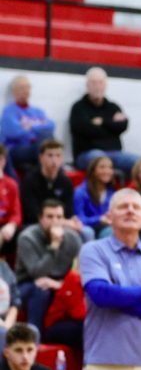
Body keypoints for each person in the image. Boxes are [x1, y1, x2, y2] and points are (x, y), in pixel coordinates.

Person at [79, 188, 141, 370]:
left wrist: (116, 299)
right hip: (104, 363)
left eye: (136, 207)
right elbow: (100, 294)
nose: (130, 210)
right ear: (109, 216)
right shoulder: (92, 250)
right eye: (123, 206)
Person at [15, 199, 81, 332]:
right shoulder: (27, 238)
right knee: (41, 289)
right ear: (41, 219)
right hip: (28, 284)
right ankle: (35, 333)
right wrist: (54, 245)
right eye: (50, 217)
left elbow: (80, 272)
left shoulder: (73, 238)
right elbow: (37, 273)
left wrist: (59, 284)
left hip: (59, 283)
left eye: (59, 217)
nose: (55, 221)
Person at [69, 67, 140, 174]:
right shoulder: (78, 107)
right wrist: (111, 125)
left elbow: (123, 126)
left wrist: (102, 122)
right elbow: (85, 129)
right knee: (100, 160)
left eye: (100, 82)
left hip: (115, 153)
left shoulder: (113, 107)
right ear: (87, 85)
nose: (97, 86)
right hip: (87, 154)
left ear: (106, 85)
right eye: (94, 83)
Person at [19, 139, 93, 242]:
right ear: (41, 158)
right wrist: (61, 222)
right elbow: (32, 214)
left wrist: (73, 220)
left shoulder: (66, 182)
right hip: (36, 224)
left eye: (58, 156)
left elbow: (69, 212)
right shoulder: (29, 181)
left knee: (87, 232)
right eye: (50, 155)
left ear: (62, 159)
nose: (54, 160)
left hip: (61, 222)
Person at [0, 75, 55, 176]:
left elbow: (51, 126)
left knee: (47, 141)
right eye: (22, 88)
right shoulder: (9, 111)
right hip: (17, 149)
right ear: (14, 91)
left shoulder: (38, 111)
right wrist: (39, 126)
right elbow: (13, 132)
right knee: (44, 144)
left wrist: (31, 127)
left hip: (36, 146)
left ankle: (50, 175)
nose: (26, 90)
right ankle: (44, 176)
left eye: (28, 87)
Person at [73, 156, 115, 235]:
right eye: (102, 167)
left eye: (110, 167)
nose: (107, 171)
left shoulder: (112, 192)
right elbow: (79, 219)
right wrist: (99, 219)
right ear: (93, 171)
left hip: (105, 227)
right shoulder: (80, 192)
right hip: (87, 229)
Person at [0, 145, 21, 252]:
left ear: (3, 161)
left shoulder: (11, 184)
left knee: (24, 234)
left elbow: (16, 212)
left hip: (5, 225)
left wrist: (12, 225)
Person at [0, 259, 20, 351]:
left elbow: (15, 301)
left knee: (33, 331)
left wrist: (7, 325)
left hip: (7, 320)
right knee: (1, 333)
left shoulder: (3, 267)